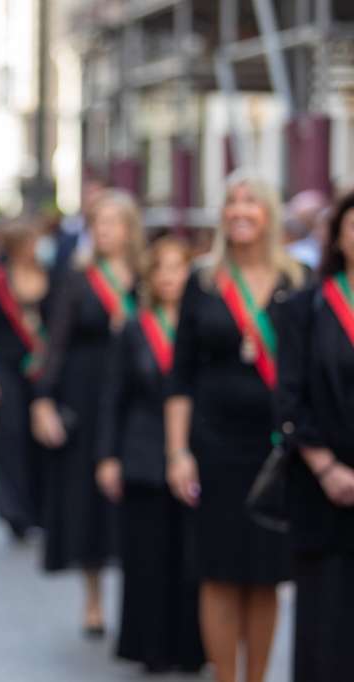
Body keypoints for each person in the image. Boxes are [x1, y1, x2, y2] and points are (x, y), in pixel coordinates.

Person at [165, 171, 304, 682]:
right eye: (231, 202)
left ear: (269, 213)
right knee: (219, 574)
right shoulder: (202, 282)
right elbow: (179, 377)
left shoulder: (297, 281)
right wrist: (178, 453)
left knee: (267, 575)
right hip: (214, 447)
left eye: (251, 202)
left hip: (277, 450)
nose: (240, 210)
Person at [31, 188, 145, 635]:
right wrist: (43, 399)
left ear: (130, 228)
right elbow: (55, 345)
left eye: (115, 221)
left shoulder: (145, 276)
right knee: (89, 503)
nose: (106, 230)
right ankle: (94, 598)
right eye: (99, 222)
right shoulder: (78, 280)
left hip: (136, 399)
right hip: (86, 395)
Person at [95, 235, 204, 673]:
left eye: (177, 268)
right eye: (160, 269)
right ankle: (150, 646)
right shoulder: (134, 327)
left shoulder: (200, 325)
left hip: (193, 453)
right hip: (140, 455)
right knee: (145, 556)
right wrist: (108, 456)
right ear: (150, 277)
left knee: (190, 554)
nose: (169, 277)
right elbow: (112, 396)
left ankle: (192, 647)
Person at [277, 189, 354, 681]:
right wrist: (327, 466)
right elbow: (288, 398)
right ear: (339, 236)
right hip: (324, 482)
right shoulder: (306, 306)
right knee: (326, 621)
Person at [0, 217, 49, 539]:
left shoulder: (50, 275)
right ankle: (14, 512)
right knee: (10, 436)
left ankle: (42, 508)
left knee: (41, 437)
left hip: (42, 367)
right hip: (7, 366)